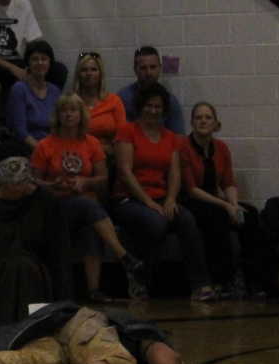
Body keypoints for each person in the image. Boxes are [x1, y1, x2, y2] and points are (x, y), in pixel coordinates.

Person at [33, 94, 144, 302]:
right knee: (88, 206)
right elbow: (34, 182)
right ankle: (124, 255)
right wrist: (53, 184)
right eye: (64, 110)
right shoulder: (44, 145)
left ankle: (94, 290)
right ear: (57, 115)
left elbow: (103, 178)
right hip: (57, 206)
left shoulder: (91, 143)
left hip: (86, 206)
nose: (68, 115)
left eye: (73, 110)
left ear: (81, 115)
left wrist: (85, 182)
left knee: (91, 226)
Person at [113, 82, 213, 301]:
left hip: (160, 198)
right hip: (129, 199)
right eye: (149, 105)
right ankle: (140, 280)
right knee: (156, 223)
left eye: (158, 106)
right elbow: (125, 172)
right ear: (141, 106)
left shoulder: (171, 138)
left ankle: (200, 285)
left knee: (186, 219)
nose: (153, 110)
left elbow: (175, 173)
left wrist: (170, 199)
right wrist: (148, 202)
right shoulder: (127, 131)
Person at [0, 301, 182, 364]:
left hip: (50, 337)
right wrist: (176, 362)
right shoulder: (139, 331)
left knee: (37, 359)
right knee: (115, 358)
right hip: (81, 324)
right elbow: (167, 362)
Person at [0, 155, 71, 323]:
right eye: (18, 184)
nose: (25, 186)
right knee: (14, 269)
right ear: (4, 184)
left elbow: (58, 248)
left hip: (36, 267)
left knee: (22, 268)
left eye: (26, 181)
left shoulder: (46, 202)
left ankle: (34, 322)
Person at [181, 101, 260, 298]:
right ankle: (222, 280)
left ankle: (254, 280)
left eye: (208, 117)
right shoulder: (183, 147)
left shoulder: (221, 148)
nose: (203, 121)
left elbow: (228, 183)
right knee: (218, 216)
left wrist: (234, 205)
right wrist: (226, 206)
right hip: (191, 200)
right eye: (198, 117)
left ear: (216, 123)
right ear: (192, 122)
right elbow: (191, 189)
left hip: (215, 199)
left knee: (251, 214)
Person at [116, 44, 186, 133]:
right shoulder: (123, 99)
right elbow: (117, 133)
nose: (148, 73)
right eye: (143, 68)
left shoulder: (170, 101)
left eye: (153, 67)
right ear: (135, 70)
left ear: (160, 68)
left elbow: (179, 137)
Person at [6, 39, 59, 150]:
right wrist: (43, 151)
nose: (40, 63)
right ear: (28, 63)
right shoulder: (19, 89)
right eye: (35, 59)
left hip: (52, 146)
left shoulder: (55, 91)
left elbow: (59, 127)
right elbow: (20, 131)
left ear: (50, 63)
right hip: (26, 148)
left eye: (44, 59)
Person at [71, 50, 126, 146]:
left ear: (101, 74)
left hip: (110, 152)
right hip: (78, 152)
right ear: (78, 74)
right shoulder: (70, 102)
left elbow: (123, 136)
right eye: (84, 70)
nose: (89, 73)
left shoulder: (114, 101)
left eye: (94, 69)